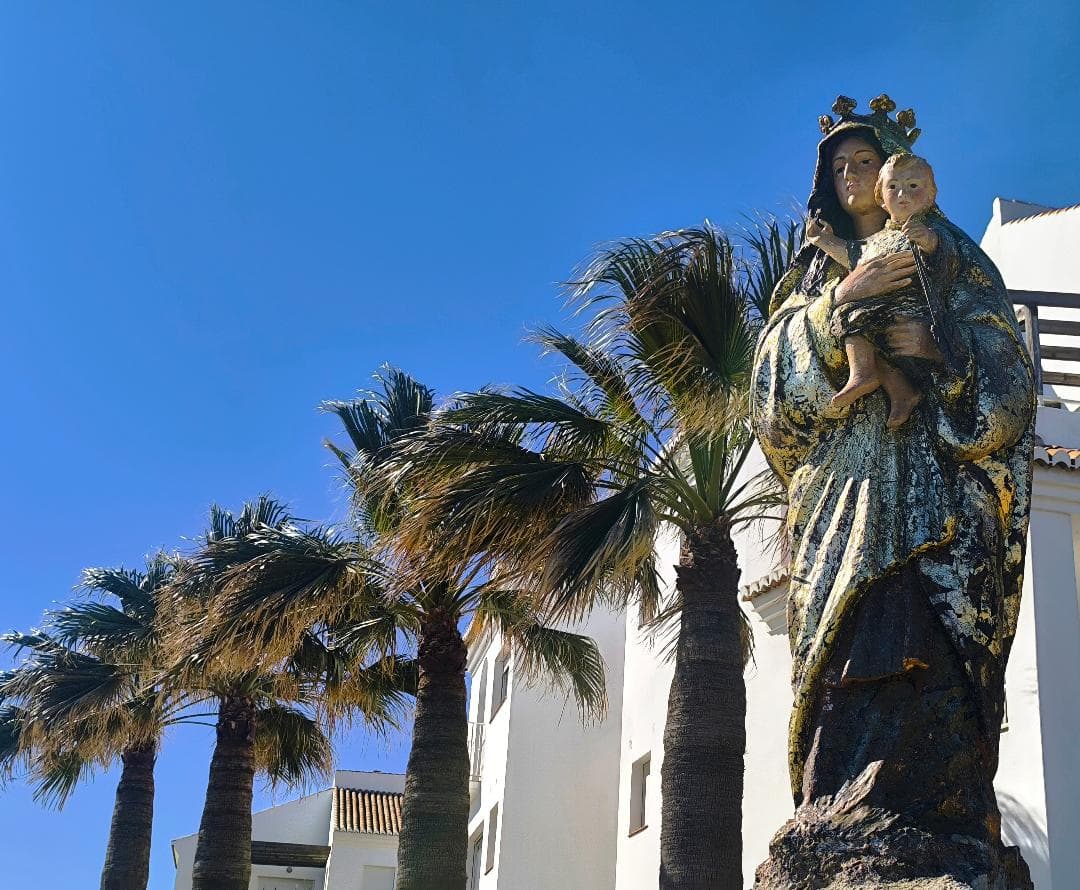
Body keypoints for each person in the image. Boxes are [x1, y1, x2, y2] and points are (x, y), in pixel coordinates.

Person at [751, 95, 1036, 885]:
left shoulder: (954, 258)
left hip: (938, 501)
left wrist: (938, 350)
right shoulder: (809, 275)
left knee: (930, 648)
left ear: (898, 176)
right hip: (840, 503)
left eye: (866, 163)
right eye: (839, 167)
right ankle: (836, 809)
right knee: (847, 657)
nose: (853, 177)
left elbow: (1004, 366)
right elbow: (769, 396)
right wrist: (836, 307)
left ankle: (942, 819)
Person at [805, 153, 957, 428]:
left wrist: (929, 241)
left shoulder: (930, 230)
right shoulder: (876, 241)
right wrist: (823, 240)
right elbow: (853, 255)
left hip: (910, 309)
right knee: (849, 317)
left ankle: (867, 376)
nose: (902, 195)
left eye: (913, 186)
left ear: (930, 195)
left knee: (855, 315)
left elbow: (947, 259)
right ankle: (890, 387)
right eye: (893, 187)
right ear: (881, 196)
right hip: (879, 312)